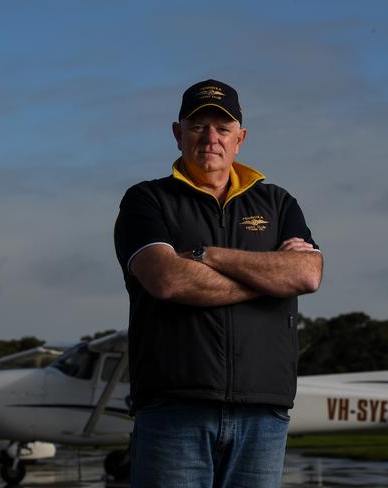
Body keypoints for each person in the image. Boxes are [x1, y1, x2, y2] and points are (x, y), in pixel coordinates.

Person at [114, 79, 323, 488]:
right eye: (197, 126)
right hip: (175, 410)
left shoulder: (279, 203)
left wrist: (209, 255)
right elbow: (168, 280)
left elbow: (307, 274)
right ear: (178, 134)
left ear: (240, 138)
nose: (211, 138)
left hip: (264, 414)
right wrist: (272, 278)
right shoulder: (146, 200)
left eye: (223, 128)